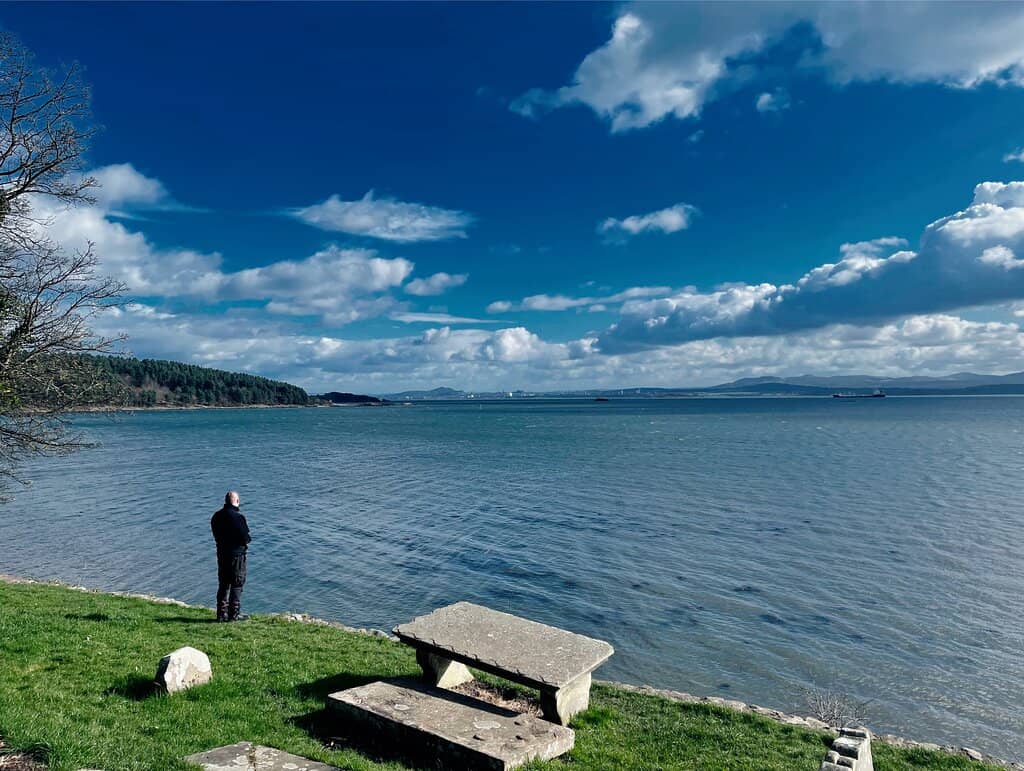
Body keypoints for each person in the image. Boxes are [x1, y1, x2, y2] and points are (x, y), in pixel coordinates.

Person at [211, 490, 251, 621]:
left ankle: (221, 613)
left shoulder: (216, 517)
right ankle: (234, 614)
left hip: (222, 554)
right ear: (237, 501)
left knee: (223, 584)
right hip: (236, 556)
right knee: (237, 583)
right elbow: (245, 537)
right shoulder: (238, 518)